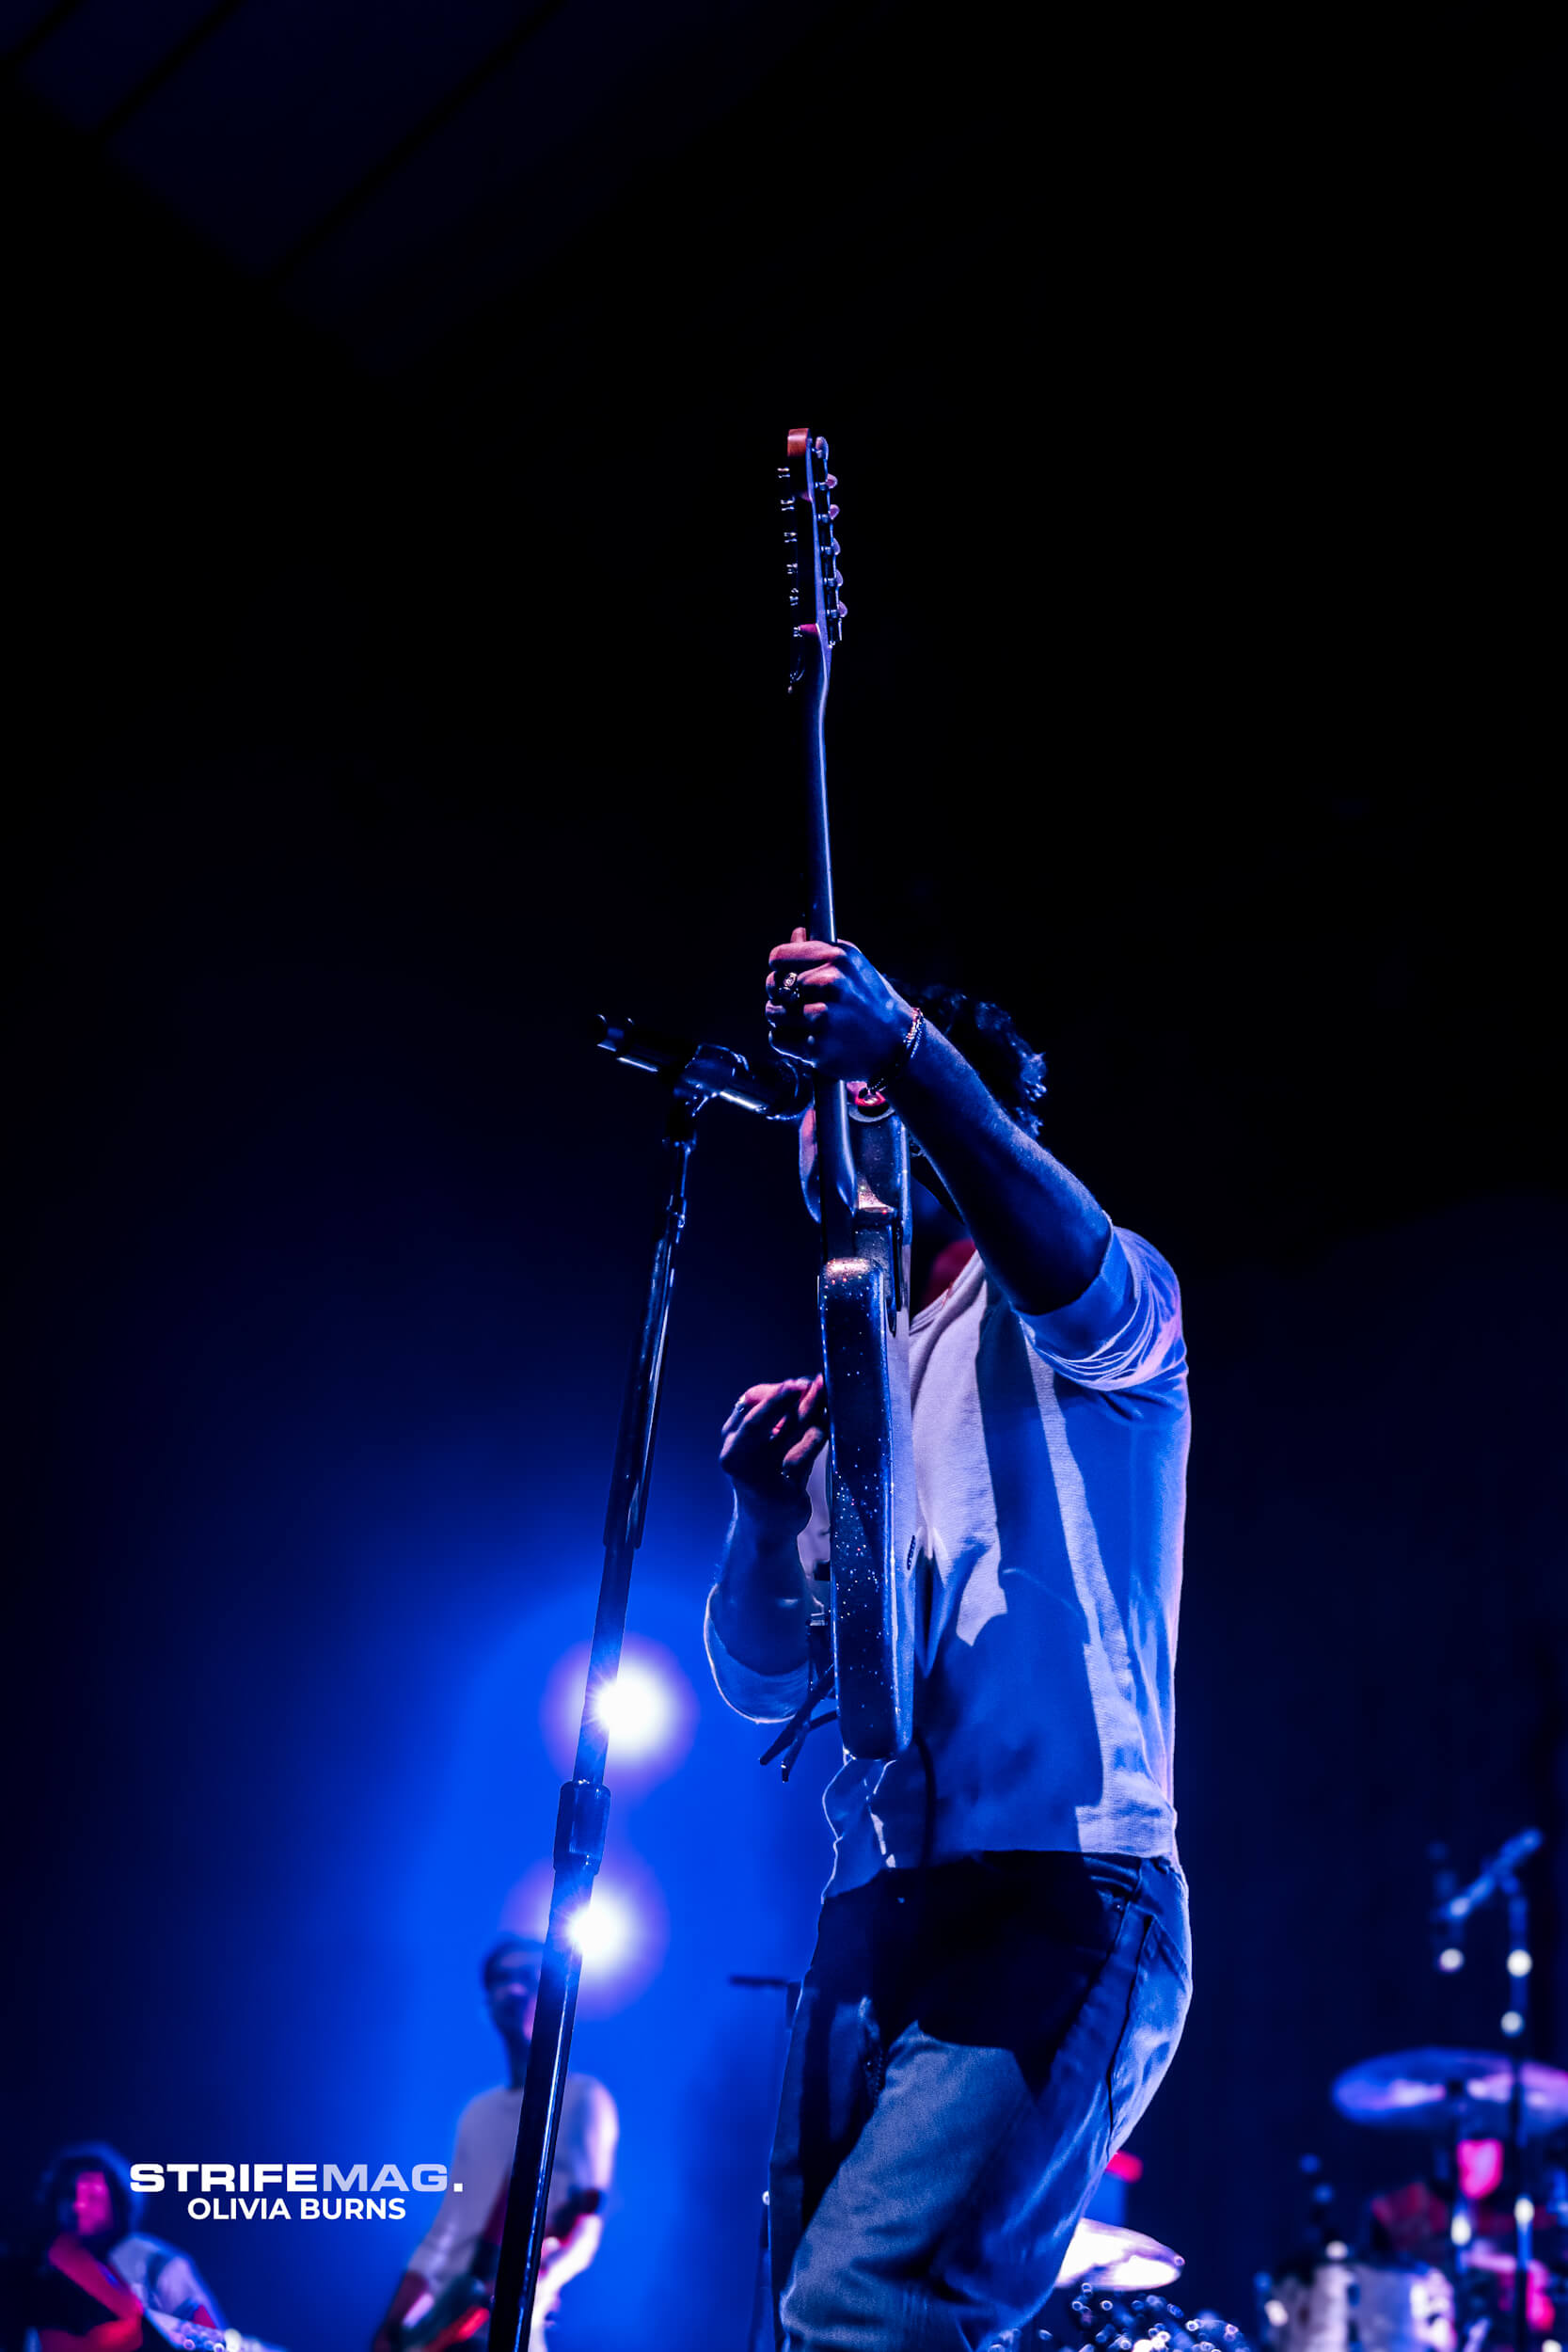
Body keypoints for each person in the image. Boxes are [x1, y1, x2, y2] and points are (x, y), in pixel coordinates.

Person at [706, 931, 1193, 2352]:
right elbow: (762, 1680)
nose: (808, 1128)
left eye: (833, 1094)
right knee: (803, 2326)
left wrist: (907, 1055)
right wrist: (753, 1515)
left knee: (867, 2314)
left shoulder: (1084, 1300)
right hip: (875, 1915)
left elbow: (1061, 1261)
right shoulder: (851, 1358)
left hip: (1062, 1887)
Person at [372, 1933, 617, 2351]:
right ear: (488, 2004)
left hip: (508, 2323)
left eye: (530, 1977)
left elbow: (586, 2225)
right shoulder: (477, 2114)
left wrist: (529, 2292)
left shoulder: (582, 2098)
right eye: (502, 1979)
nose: (516, 1989)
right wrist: (393, 2324)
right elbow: (446, 2233)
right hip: (443, 2326)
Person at [2, 2141, 224, 2345]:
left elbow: (214, 2341)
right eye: (69, 2195)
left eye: (93, 2197)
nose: (78, 2206)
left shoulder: (158, 2264)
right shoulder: (36, 2271)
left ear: (118, 2202)